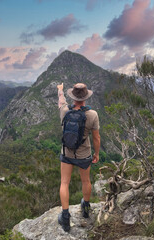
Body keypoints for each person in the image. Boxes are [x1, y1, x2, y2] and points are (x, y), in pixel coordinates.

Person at [57, 82, 100, 232]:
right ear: (85, 97)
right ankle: (86, 208)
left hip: (67, 153)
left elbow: (61, 102)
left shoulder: (64, 111)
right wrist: (96, 154)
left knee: (64, 183)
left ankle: (65, 217)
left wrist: (60, 91)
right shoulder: (92, 114)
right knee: (86, 181)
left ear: (73, 96)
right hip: (84, 154)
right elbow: (96, 138)